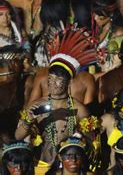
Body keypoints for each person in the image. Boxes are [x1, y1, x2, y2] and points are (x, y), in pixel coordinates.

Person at [15, 28, 94, 165]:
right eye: (50, 79)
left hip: (68, 166)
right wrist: (28, 121)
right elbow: (17, 136)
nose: (53, 84)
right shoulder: (36, 105)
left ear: (69, 82)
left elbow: (91, 143)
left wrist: (79, 138)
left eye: (58, 80)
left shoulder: (79, 109)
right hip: (41, 164)